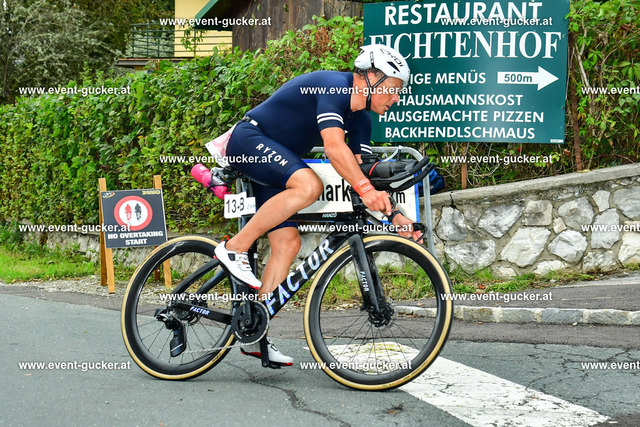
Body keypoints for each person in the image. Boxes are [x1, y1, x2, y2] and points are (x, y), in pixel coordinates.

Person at [214, 44, 422, 366]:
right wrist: (365, 189)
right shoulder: (334, 87)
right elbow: (334, 148)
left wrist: (395, 215)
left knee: (287, 244)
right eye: (393, 89)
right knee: (310, 186)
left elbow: (361, 169)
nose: (396, 98)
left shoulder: (362, 120)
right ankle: (234, 249)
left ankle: (254, 332)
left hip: (279, 162)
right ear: (371, 78)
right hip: (249, 142)